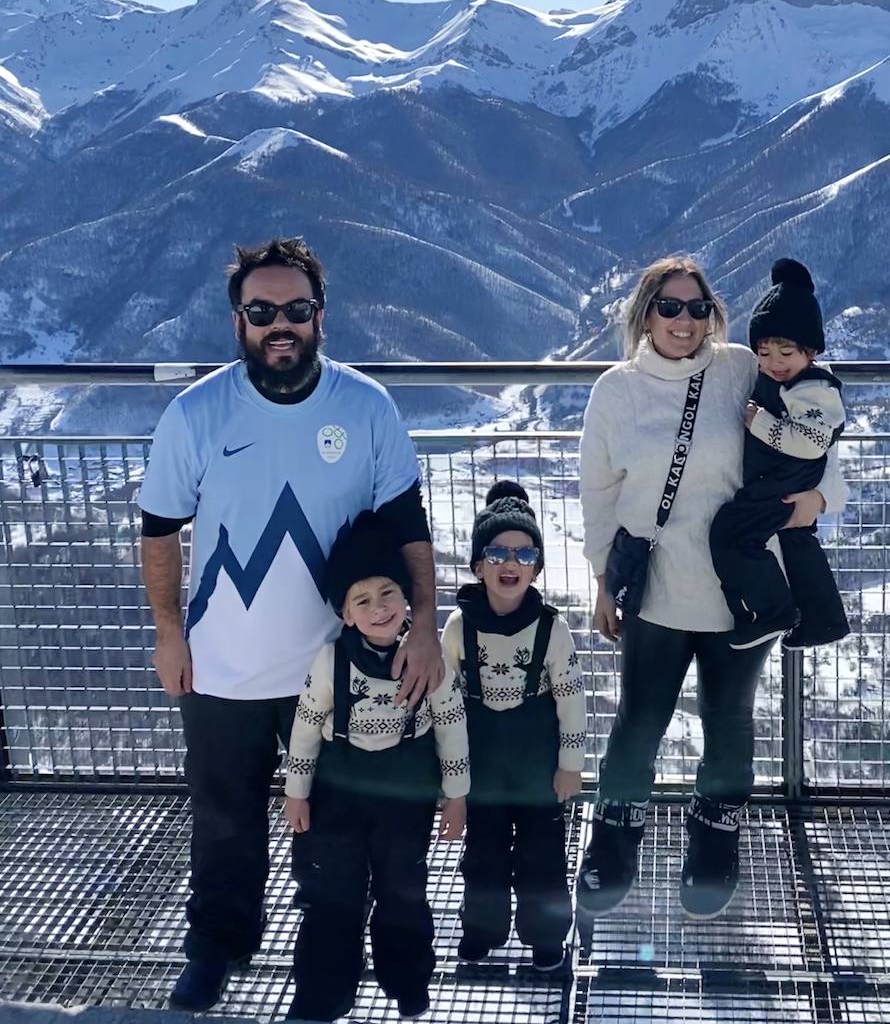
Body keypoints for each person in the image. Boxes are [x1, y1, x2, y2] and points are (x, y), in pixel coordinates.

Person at [137, 237, 444, 1012]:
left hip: (333, 670)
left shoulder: (366, 406)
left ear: (321, 315)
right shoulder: (196, 413)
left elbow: (409, 523)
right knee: (223, 820)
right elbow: (159, 531)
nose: (281, 324)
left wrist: (427, 625)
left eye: (296, 310)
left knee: (329, 831)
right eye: (262, 311)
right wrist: (169, 632)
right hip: (221, 665)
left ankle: (324, 962)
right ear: (237, 320)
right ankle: (218, 945)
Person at [577, 255, 848, 920]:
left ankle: (714, 838)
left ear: (713, 315)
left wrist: (816, 504)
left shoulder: (742, 370)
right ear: (644, 313)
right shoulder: (615, 391)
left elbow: (818, 457)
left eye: (697, 308)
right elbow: (597, 496)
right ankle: (615, 836)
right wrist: (602, 582)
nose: (684, 320)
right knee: (639, 720)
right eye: (669, 307)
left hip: (743, 594)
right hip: (660, 589)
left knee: (729, 721)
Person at [283, 511, 468, 1022]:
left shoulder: (429, 659)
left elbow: (451, 725)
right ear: (345, 613)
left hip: (405, 795)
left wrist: (457, 794)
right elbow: (305, 726)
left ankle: (407, 978)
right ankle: (324, 988)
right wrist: (296, 791)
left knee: (403, 890)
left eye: (387, 592)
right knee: (332, 892)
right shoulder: (330, 660)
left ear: (406, 596)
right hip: (339, 792)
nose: (378, 608)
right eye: (361, 600)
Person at [442, 481, 586, 974]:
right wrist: (452, 781)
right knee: (483, 857)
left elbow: (570, 701)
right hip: (482, 767)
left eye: (524, 553)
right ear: (478, 565)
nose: (511, 562)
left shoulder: (552, 629)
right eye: (498, 551)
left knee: (542, 858)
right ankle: (481, 930)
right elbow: (446, 705)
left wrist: (571, 767)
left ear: (537, 567)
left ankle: (545, 936)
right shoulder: (459, 628)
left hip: (537, 768)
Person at [709, 258, 850, 651]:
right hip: (783, 481)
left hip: (784, 483)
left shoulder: (815, 389)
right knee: (798, 545)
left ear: (810, 351)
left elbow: (810, 441)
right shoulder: (784, 381)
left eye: (786, 353)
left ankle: (770, 610)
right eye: (764, 353)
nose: (774, 364)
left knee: (732, 533)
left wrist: (759, 423)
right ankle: (823, 620)